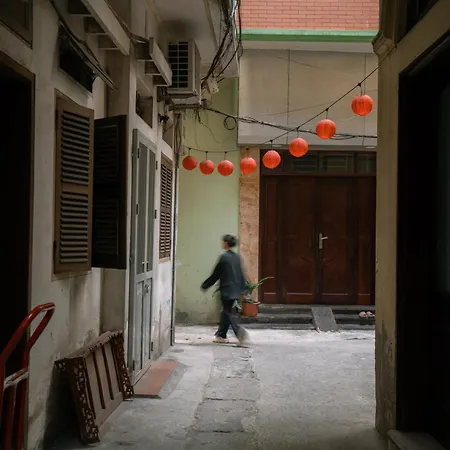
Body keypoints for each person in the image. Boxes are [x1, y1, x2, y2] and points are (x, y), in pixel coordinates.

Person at [201, 234, 250, 345]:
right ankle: (221, 335)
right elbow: (241, 274)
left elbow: (216, 274)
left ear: (226, 243)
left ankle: (240, 332)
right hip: (236, 289)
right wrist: (243, 289)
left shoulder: (224, 257)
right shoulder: (237, 257)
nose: (222, 243)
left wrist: (206, 285)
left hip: (227, 289)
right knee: (226, 311)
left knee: (228, 312)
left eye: (223, 242)